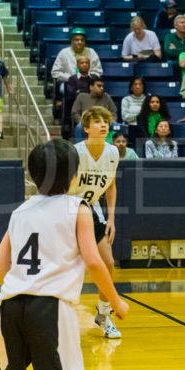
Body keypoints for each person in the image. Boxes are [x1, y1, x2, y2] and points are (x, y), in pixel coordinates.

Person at [0, 139, 128, 370]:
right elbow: (93, 259)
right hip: (50, 309)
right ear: (74, 175)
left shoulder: (21, 211)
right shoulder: (78, 208)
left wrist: (25, 281)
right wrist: (116, 301)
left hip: (9, 305)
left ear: (34, 177)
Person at [66, 106, 123, 340]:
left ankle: (102, 315)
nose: (103, 125)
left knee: (108, 262)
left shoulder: (113, 153)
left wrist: (111, 217)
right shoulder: (75, 152)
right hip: (68, 210)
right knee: (68, 268)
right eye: (97, 122)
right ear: (86, 128)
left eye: (106, 121)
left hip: (91, 210)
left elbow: (110, 185)